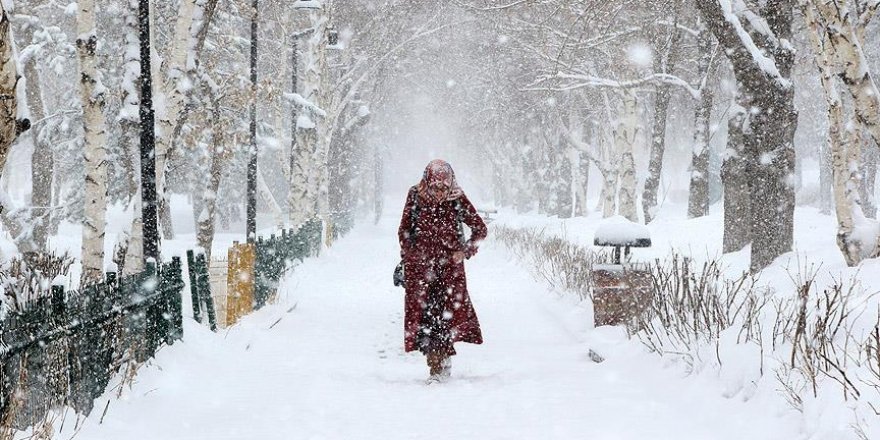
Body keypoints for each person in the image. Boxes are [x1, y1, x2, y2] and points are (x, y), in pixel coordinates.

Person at [398, 159, 488, 384]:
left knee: (444, 319)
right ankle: (435, 364)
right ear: (428, 182)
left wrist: (464, 251)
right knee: (426, 320)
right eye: (436, 187)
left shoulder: (457, 198)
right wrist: (411, 255)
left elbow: (480, 229)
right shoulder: (415, 196)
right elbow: (404, 230)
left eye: (443, 188)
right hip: (421, 272)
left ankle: (440, 365)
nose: (439, 193)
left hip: (450, 273)